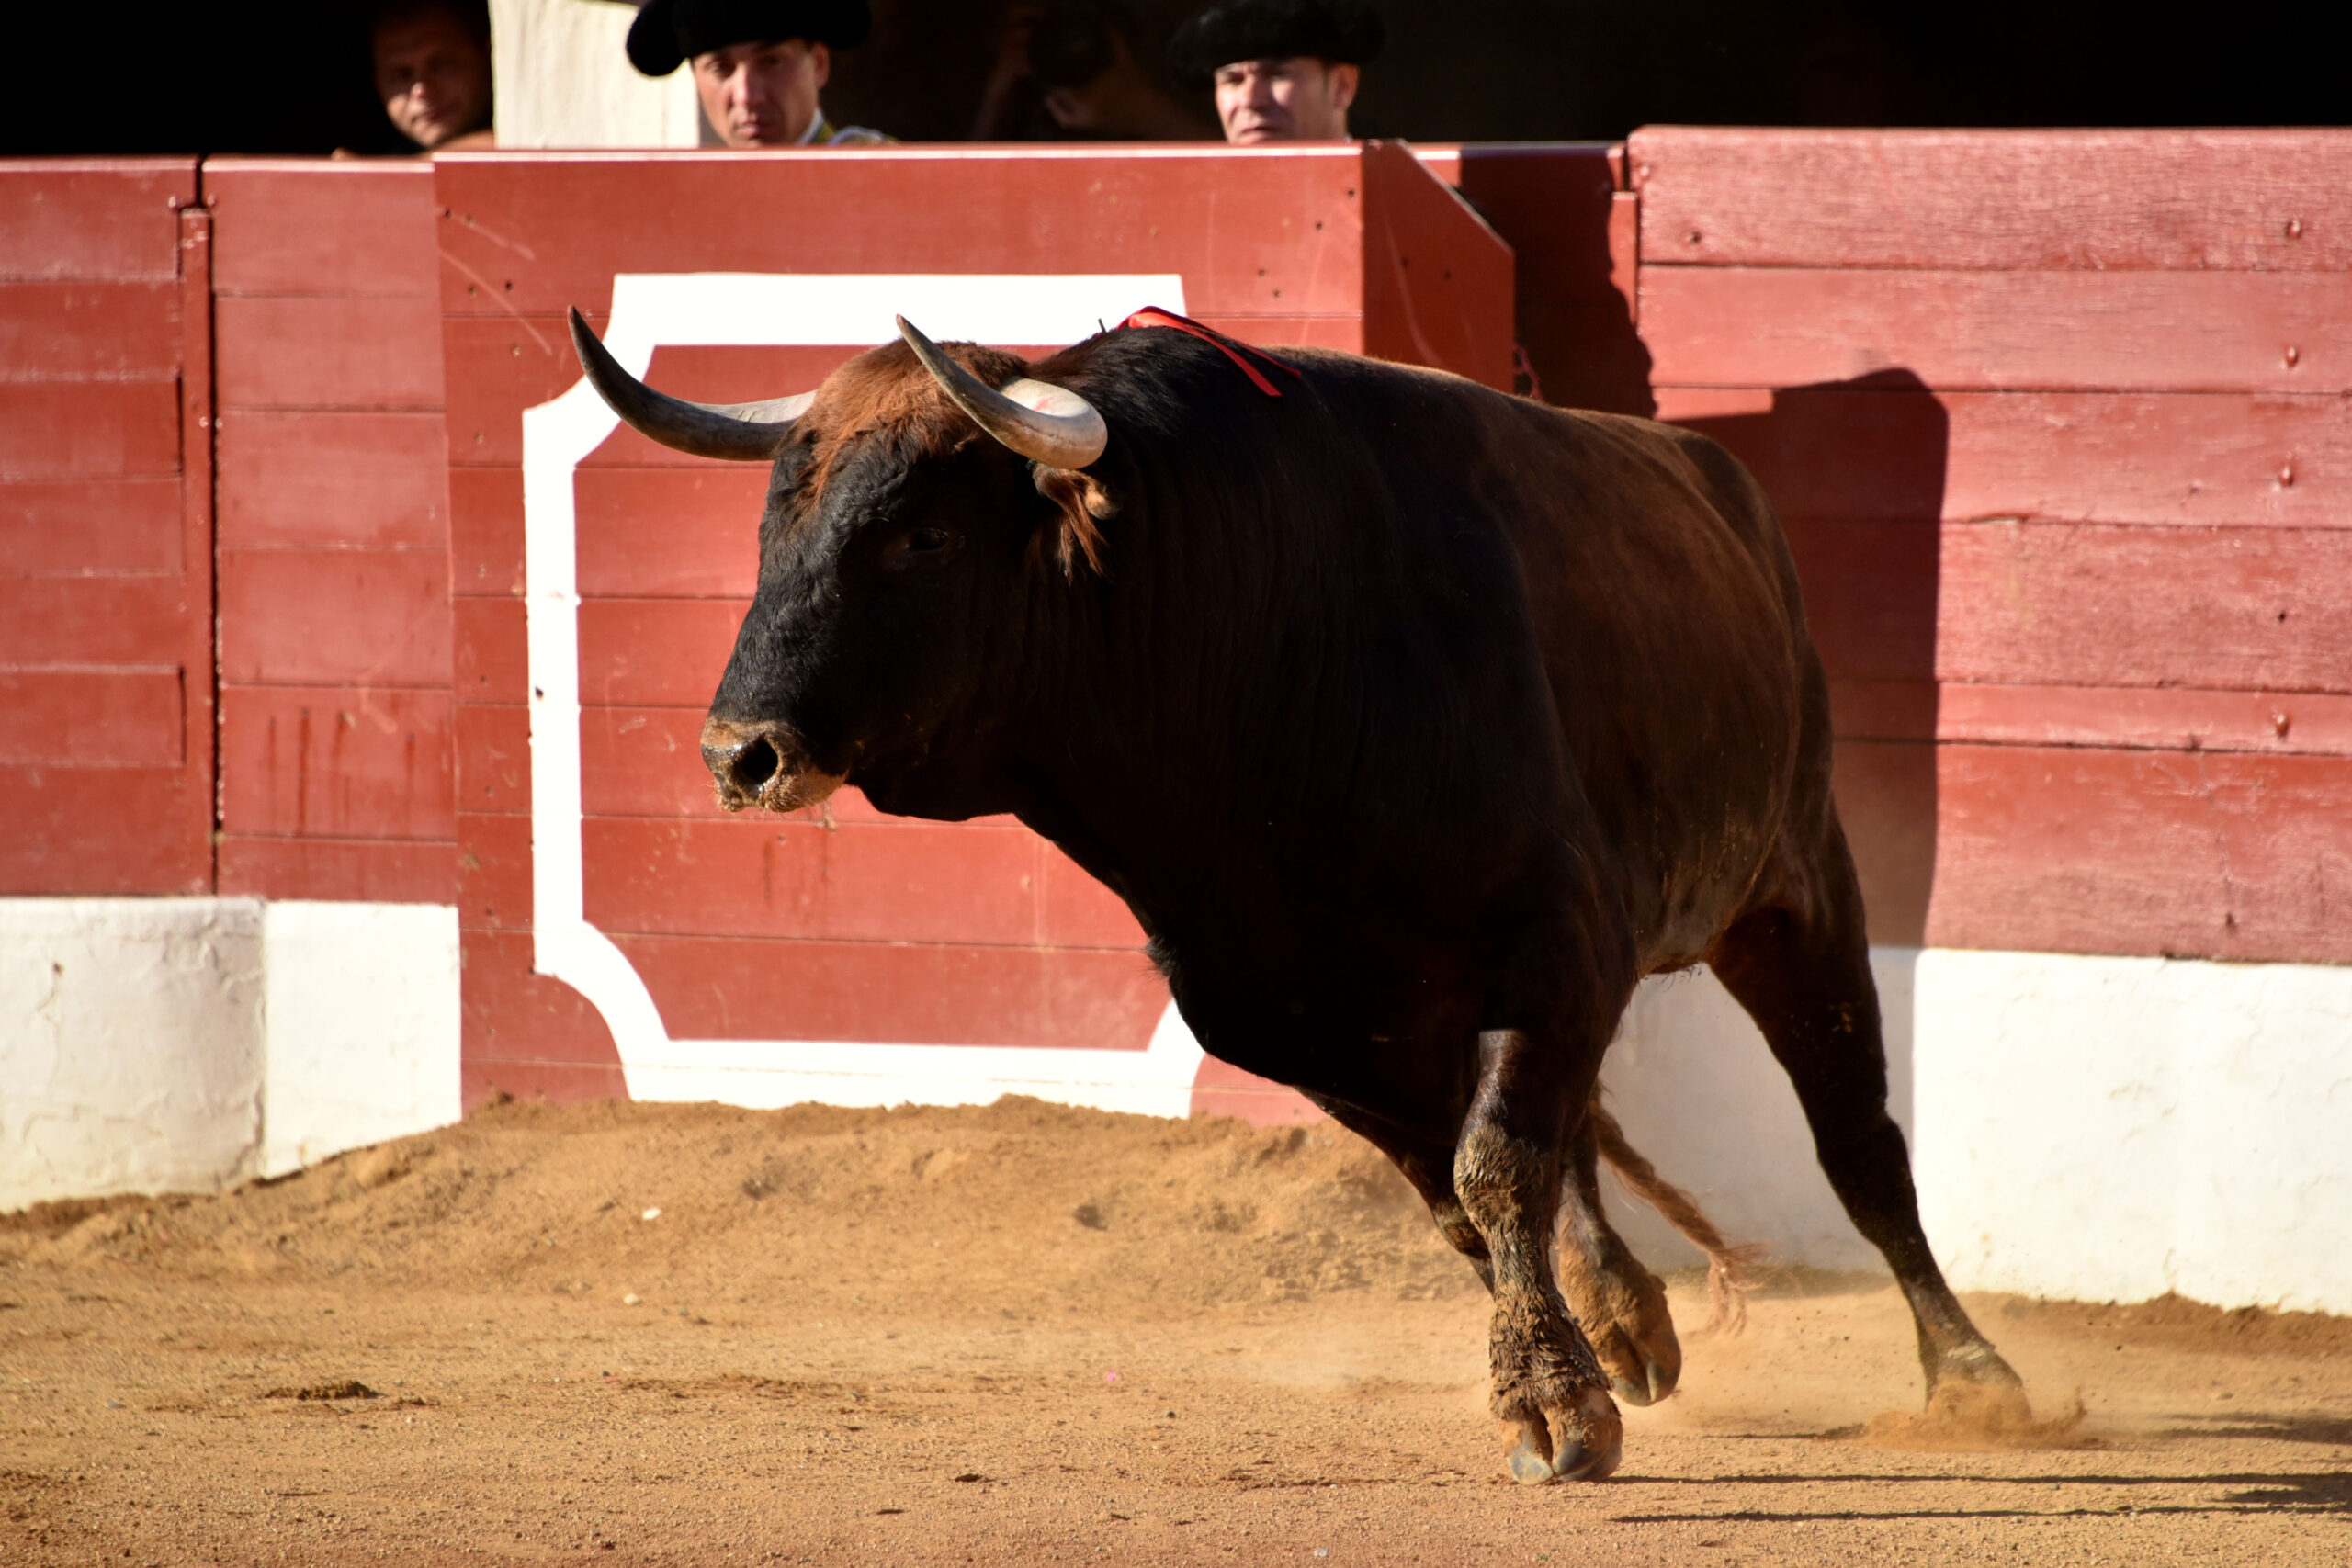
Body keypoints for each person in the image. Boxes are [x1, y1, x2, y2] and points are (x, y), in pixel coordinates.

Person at [627, 0, 888, 147]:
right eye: (722, 69)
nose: (747, 95)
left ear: (819, 64)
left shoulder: (875, 174)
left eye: (771, 62)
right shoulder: (691, 201)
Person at [971, 2, 1216, 141]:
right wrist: (997, 97)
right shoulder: (1016, 94)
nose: (1069, 46)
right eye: (1054, 31)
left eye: (1079, 30)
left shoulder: (1179, 76)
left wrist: (1146, 111)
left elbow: (1231, 166)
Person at [1168, 0, 1382, 145]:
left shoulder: (1393, 190)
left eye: (1276, 75)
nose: (1250, 100)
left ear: (1342, 86)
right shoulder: (1190, 198)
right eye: (1233, 80)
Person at [371, 0, 494, 151]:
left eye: (441, 65)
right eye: (403, 75)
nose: (422, 90)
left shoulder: (518, 131)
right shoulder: (394, 155)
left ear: (488, 59)